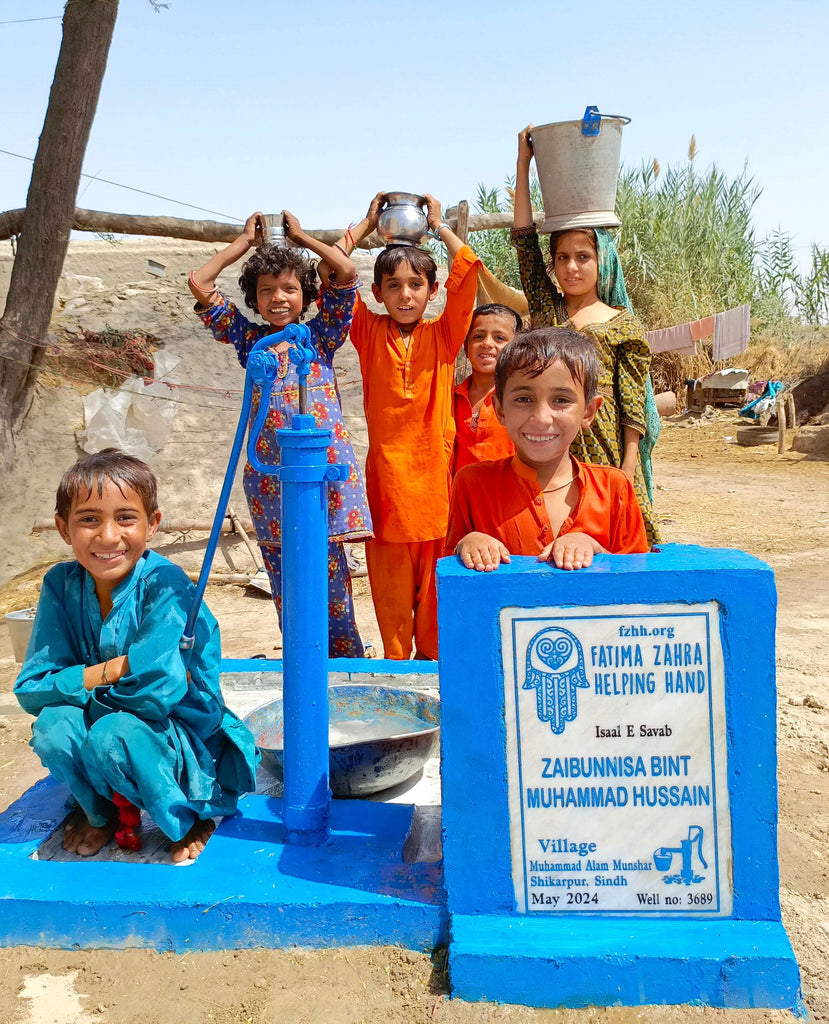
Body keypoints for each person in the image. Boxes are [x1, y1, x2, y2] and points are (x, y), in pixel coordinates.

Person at [14, 449, 259, 862]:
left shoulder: (166, 585)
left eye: (125, 518)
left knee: (113, 735)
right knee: (55, 728)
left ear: (153, 525)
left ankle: (187, 816)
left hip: (178, 735)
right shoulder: (60, 584)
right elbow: (30, 690)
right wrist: (111, 670)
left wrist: (75, 683)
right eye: (89, 519)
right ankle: (101, 812)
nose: (108, 536)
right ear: (63, 528)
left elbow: (154, 694)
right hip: (114, 722)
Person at [189, 211, 372, 657]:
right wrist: (242, 244)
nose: (278, 298)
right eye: (266, 290)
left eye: (290, 288)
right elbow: (200, 283)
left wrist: (302, 237)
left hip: (321, 479)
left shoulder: (323, 335)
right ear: (253, 298)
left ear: (306, 295)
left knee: (331, 581)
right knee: (285, 580)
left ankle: (344, 663)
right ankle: (301, 659)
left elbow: (346, 273)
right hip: (271, 482)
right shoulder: (249, 342)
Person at [327, 193, 481, 660]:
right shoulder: (368, 332)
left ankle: (436, 698)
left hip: (435, 494)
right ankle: (400, 696)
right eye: (393, 286)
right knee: (393, 623)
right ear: (377, 293)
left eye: (416, 285)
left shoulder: (445, 336)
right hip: (387, 495)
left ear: (432, 292)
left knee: (435, 625)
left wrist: (437, 225)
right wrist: (368, 224)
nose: (405, 294)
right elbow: (332, 271)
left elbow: (469, 271)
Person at [512, 125, 660, 545]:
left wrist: (627, 471)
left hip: (605, 452)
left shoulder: (622, 324)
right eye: (562, 258)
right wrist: (524, 164)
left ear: (602, 262)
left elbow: (633, 408)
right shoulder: (546, 311)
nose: (571, 267)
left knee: (614, 547)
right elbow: (524, 243)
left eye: (583, 257)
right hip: (549, 442)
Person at [446, 328, 648, 572]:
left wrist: (597, 550)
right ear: (499, 409)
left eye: (561, 400)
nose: (541, 418)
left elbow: (638, 585)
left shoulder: (614, 488)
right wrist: (466, 544)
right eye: (523, 399)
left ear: (589, 411)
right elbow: (450, 586)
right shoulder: (472, 485)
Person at [452, 303, 521, 474]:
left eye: (499, 338)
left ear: (515, 349)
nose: (487, 343)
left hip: (507, 497)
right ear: (466, 347)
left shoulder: (521, 401)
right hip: (458, 498)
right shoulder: (450, 398)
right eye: (478, 336)